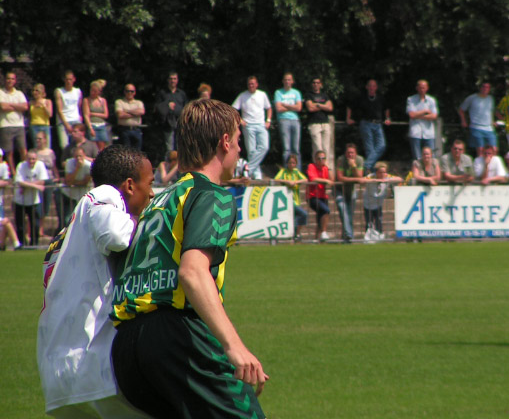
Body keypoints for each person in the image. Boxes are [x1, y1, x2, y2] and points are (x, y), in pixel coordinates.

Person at [110, 99, 268, 418]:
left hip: (126, 348)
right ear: (224, 142)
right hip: (177, 338)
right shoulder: (211, 194)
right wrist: (234, 346)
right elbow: (193, 273)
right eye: (238, 141)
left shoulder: (160, 199)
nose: (240, 151)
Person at [37, 144, 154, 419]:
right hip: (94, 365)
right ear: (128, 185)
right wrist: (148, 222)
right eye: (149, 183)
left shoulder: (68, 230)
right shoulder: (104, 194)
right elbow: (115, 235)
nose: (151, 193)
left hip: (59, 376)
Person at [232, 76, 272, 179]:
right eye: (249, 84)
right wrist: (240, 120)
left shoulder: (262, 94)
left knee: (264, 147)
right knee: (251, 152)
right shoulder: (243, 95)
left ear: (257, 84)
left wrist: (268, 120)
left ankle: (247, 169)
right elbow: (233, 109)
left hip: (261, 125)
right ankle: (257, 176)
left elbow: (269, 108)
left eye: (253, 83)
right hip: (248, 126)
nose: (251, 85)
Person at [346, 79, 390, 172]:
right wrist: (348, 118)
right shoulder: (361, 97)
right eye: (370, 85)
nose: (371, 88)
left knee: (382, 146)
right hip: (366, 123)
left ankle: (365, 166)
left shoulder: (381, 97)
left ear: (376, 87)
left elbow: (386, 108)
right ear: (366, 87)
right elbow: (350, 106)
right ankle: (371, 173)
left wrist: (387, 118)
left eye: (374, 86)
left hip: (378, 124)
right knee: (369, 149)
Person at [13, 149, 48, 246]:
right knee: (20, 225)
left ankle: (34, 245)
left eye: (33, 159)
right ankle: (22, 245)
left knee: (35, 225)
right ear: (26, 159)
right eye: (29, 159)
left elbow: (42, 182)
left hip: (34, 200)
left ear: (36, 159)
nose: (31, 161)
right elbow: (19, 182)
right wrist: (35, 186)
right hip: (20, 199)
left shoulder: (40, 165)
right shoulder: (21, 165)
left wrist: (26, 185)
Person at [362, 161, 401, 241]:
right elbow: (362, 180)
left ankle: (379, 237)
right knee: (369, 223)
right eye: (381, 172)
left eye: (384, 172)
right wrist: (375, 181)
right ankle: (368, 238)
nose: (383, 174)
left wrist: (389, 180)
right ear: (376, 172)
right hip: (368, 204)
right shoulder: (371, 176)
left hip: (378, 204)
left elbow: (400, 179)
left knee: (379, 221)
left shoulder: (387, 177)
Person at [0, 70, 29, 175]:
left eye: (12, 79)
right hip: (5, 125)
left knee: (23, 150)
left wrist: (10, 105)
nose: (10, 81)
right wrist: (17, 106)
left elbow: (25, 107)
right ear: (5, 80)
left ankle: (25, 171)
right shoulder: (1, 92)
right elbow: (3, 107)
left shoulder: (19, 93)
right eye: (8, 78)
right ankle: (13, 173)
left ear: (15, 81)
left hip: (19, 125)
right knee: (9, 152)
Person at [274, 154, 308, 241]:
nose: (291, 165)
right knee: (303, 214)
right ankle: (295, 232)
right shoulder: (283, 171)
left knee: (300, 216)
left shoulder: (296, 172)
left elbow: (305, 179)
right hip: (287, 200)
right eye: (290, 163)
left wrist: (295, 182)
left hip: (296, 200)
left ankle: (295, 233)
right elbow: (276, 179)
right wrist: (287, 182)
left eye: (293, 163)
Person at [335, 143, 364, 243]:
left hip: (351, 189)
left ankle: (345, 237)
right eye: (348, 153)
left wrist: (353, 166)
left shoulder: (359, 160)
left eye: (352, 153)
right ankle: (349, 235)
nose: (350, 155)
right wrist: (355, 179)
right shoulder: (341, 160)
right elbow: (340, 178)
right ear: (345, 153)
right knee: (343, 210)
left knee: (349, 215)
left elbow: (360, 176)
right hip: (339, 189)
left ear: (355, 154)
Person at [458, 82, 497, 156]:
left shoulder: (491, 99)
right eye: (484, 86)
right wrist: (463, 121)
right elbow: (461, 110)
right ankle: (480, 167)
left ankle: (491, 166)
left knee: (494, 149)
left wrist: (493, 121)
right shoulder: (472, 98)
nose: (485, 89)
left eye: (487, 87)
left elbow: (491, 111)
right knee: (480, 150)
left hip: (489, 128)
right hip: (476, 127)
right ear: (480, 87)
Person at [57, 147, 93, 228]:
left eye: (80, 156)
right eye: (76, 156)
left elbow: (85, 182)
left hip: (82, 195)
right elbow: (68, 181)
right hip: (69, 195)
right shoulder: (69, 163)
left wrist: (74, 183)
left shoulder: (89, 165)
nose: (78, 158)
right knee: (67, 219)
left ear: (84, 155)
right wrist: (77, 168)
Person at [305, 77, 334, 171]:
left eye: (317, 83)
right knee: (317, 147)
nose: (316, 84)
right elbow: (310, 108)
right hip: (314, 123)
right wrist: (323, 106)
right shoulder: (309, 95)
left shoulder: (325, 95)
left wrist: (317, 105)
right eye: (314, 82)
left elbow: (330, 108)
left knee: (326, 148)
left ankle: (326, 168)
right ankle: (316, 168)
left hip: (325, 123)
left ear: (321, 84)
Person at [155, 71, 188, 154]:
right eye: (171, 79)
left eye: (174, 79)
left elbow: (186, 107)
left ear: (177, 80)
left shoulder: (181, 94)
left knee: (180, 146)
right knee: (169, 148)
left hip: (180, 123)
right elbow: (157, 107)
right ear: (168, 80)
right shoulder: (162, 93)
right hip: (168, 123)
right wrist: (167, 105)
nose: (172, 81)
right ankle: (170, 165)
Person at [274, 72, 302, 165]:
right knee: (287, 149)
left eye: (289, 79)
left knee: (296, 148)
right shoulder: (278, 92)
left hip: (295, 120)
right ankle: (287, 172)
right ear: (282, 81)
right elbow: (278, 108)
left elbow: (299, 108)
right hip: (283, 120)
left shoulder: (296, 93)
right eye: (285, 79)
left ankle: (297, 172)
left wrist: (285, 105)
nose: (287, 81)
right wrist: (292, 106)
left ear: (292, 81)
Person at [406, 79, 439, 160]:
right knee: (417, 158)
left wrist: (418, 115)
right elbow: (411, 114)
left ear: (427, 88)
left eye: (423, 88)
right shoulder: (411, 99)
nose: (422, 90)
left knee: (431, 157)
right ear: (417, 88)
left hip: (429, 133)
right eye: (420, 87)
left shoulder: (431, 100)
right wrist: (425, 111)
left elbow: (434, 116)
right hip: (415, 132)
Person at [34, 131, 59, 237]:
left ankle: (41, 229)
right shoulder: (34, 152)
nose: (38, 141)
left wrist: (57, 176)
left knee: (46, 206)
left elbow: (53, 166)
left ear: (45, 139)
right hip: (38, 181)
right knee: (37, 206)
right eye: (37, 139)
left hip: (49, 181)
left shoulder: (50, 152)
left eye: (40, 138)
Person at [306, 149, 333, 242]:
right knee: (326, 211)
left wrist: (328, 168)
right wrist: (325, 181)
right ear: (315, 159)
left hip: (323, 196)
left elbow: (332, 180)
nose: (321, 160)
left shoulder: (325, 168)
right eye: (319, 158)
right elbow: (313, 179)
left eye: (323, 158)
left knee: (320, 217)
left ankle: (316, 238)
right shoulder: (311, 166)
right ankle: (324, 232)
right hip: (312, 196)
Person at [54, 70, 83, 150]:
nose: (68, 81)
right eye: (67, 79)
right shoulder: (59, 91)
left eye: (70, 79)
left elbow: (79, 106)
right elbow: (59, 110)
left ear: (74, 79)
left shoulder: (78, 91)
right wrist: (66, 124)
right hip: (63, 121)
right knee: (64, 146)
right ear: (64, 80)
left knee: (78, 145)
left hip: (76, 120)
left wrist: (80, 116)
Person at [0, 148, 21, 250]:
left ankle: (1, 245)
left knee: (5, 224)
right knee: (6, 222)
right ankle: (17, 244)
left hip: (0, 203)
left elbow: (6, 181)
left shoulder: (3, 166)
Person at [115, 84, 145, 150]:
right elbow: (120, 115)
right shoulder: (119, 102)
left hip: (136, 130)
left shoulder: (139, 103)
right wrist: (135, 113)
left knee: (137, 153)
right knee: (126, 153)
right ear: (124, 92)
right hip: (124, 130)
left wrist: (126, 111)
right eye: (128, 91)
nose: (130, 93)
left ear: (135, 92)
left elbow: (141, 112)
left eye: (132, 91)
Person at [83, 79, 110, 151]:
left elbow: (106, 115)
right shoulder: (86, 100)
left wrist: (93, 113)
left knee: (102, 147)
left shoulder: (103, 101)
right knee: (93, 147)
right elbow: (86, 115)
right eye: (91, 90)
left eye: (95, 91)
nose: (92, 92)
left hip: (101, 125)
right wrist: (90, 128)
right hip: (92, 125)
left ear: (99, 91)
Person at [29, 83, 53, 148]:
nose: (34, 92)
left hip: (44, 126)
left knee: (47, 146)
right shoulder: (31, 102)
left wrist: (44, 106)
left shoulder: (47, 101)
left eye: (37, 90)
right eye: (33, 90)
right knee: (36, 146)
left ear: (41, 92)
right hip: (34, 126)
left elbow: (50, 114)